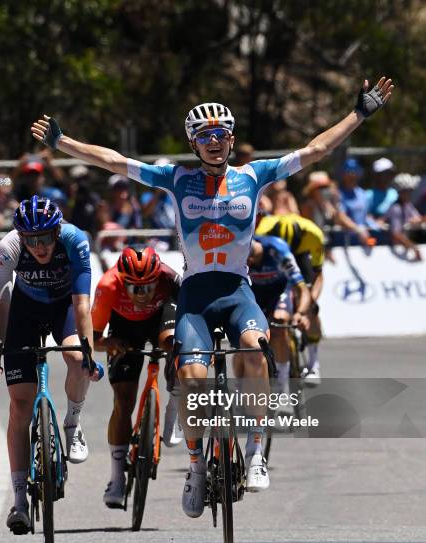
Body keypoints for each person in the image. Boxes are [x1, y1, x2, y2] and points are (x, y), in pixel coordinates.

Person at [31, 74, 394, 518]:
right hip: (196, 295)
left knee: (256, 352)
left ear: (232, 139)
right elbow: (114, 161)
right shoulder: (175, 178)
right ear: (193, 142)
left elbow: (316, 150)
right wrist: (62, 141)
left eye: (221, 134)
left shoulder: (254, 175)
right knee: (194, 379)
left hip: (237, 289)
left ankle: (257, 452)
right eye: (205, 136)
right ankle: (199, 467)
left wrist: (359, 113)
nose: (215, 142)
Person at [0, 196, 103, 535]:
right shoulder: (9, 247)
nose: (38, 247)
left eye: (45, 238)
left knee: (77, 360)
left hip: (63, 306)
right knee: (20, 405)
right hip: (24, 310)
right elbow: (1, 308)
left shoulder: (75, 239)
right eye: (30, 240)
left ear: (57, 230)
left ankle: (72, 422)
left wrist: (89, 353)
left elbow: (82, 306)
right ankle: (20, 500)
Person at [91, 246, 182, 508]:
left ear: (157, 279)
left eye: (147, 288)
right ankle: (117, 476)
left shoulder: (169, 278)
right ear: (122, 282)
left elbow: (193, 311)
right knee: (123, 401)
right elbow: (93, 339)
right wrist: (110, 344)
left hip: (160, 318)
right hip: (124, 327)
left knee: (174, 342)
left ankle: (172, 405)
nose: (141, 295)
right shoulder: (108, 285)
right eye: (134, 289)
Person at [256, 213, 325, 385]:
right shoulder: (264, 230)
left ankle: (313, 363)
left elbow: (318, 275)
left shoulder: (314, 234)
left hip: (302, 257)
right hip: (277, 259)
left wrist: (310, 303)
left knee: (312, 309)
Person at [240, 236, 311, 402]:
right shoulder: (238, 253)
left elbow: (301, 288)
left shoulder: (278, 251)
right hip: (254, 293)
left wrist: (300, 313)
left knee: (279, 323)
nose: (249, 265)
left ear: (251, 256)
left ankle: (282, 389)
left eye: (249, 262)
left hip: (279, 292)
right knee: (244, 336)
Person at [301, 170, 370, 253]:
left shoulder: (329, 205)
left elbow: (340, 218)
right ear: (313, 191)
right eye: (320, 187)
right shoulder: (308, 206)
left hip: (327, 247)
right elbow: (308, 230)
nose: (324, 190)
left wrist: (335, 202)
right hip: (313, 249)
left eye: (326, 187)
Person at [386, 173, 423, 261]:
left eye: (410, 191)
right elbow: (396, 234)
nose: (410, 193)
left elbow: (418, 218)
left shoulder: (407, 205)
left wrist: (419, 220)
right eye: (407, 191)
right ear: (401, 192)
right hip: (393, 248)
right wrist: (414, 248)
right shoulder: (396, 208)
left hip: (403, 243)